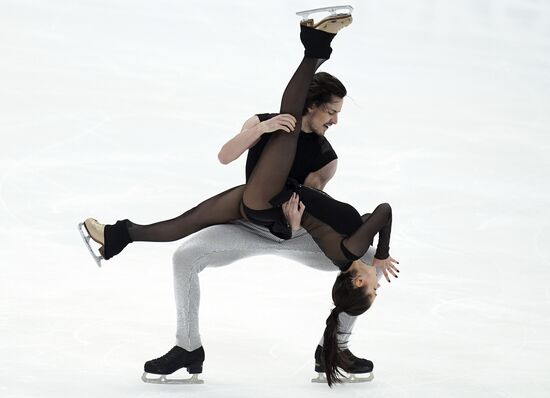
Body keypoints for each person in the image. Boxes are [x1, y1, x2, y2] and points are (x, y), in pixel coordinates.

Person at [80, 10, 398, 387]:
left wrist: (294, 227)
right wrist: (262, 128)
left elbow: (312, 204)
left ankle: (334, 349)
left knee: (363, 258)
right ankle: (187, 348)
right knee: (186, 252)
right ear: (312, 105)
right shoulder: (266, 121)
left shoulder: (327, 159)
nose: (335, 121)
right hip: (249, 216)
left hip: (291, 227)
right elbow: (225, 156)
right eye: (331, 112)